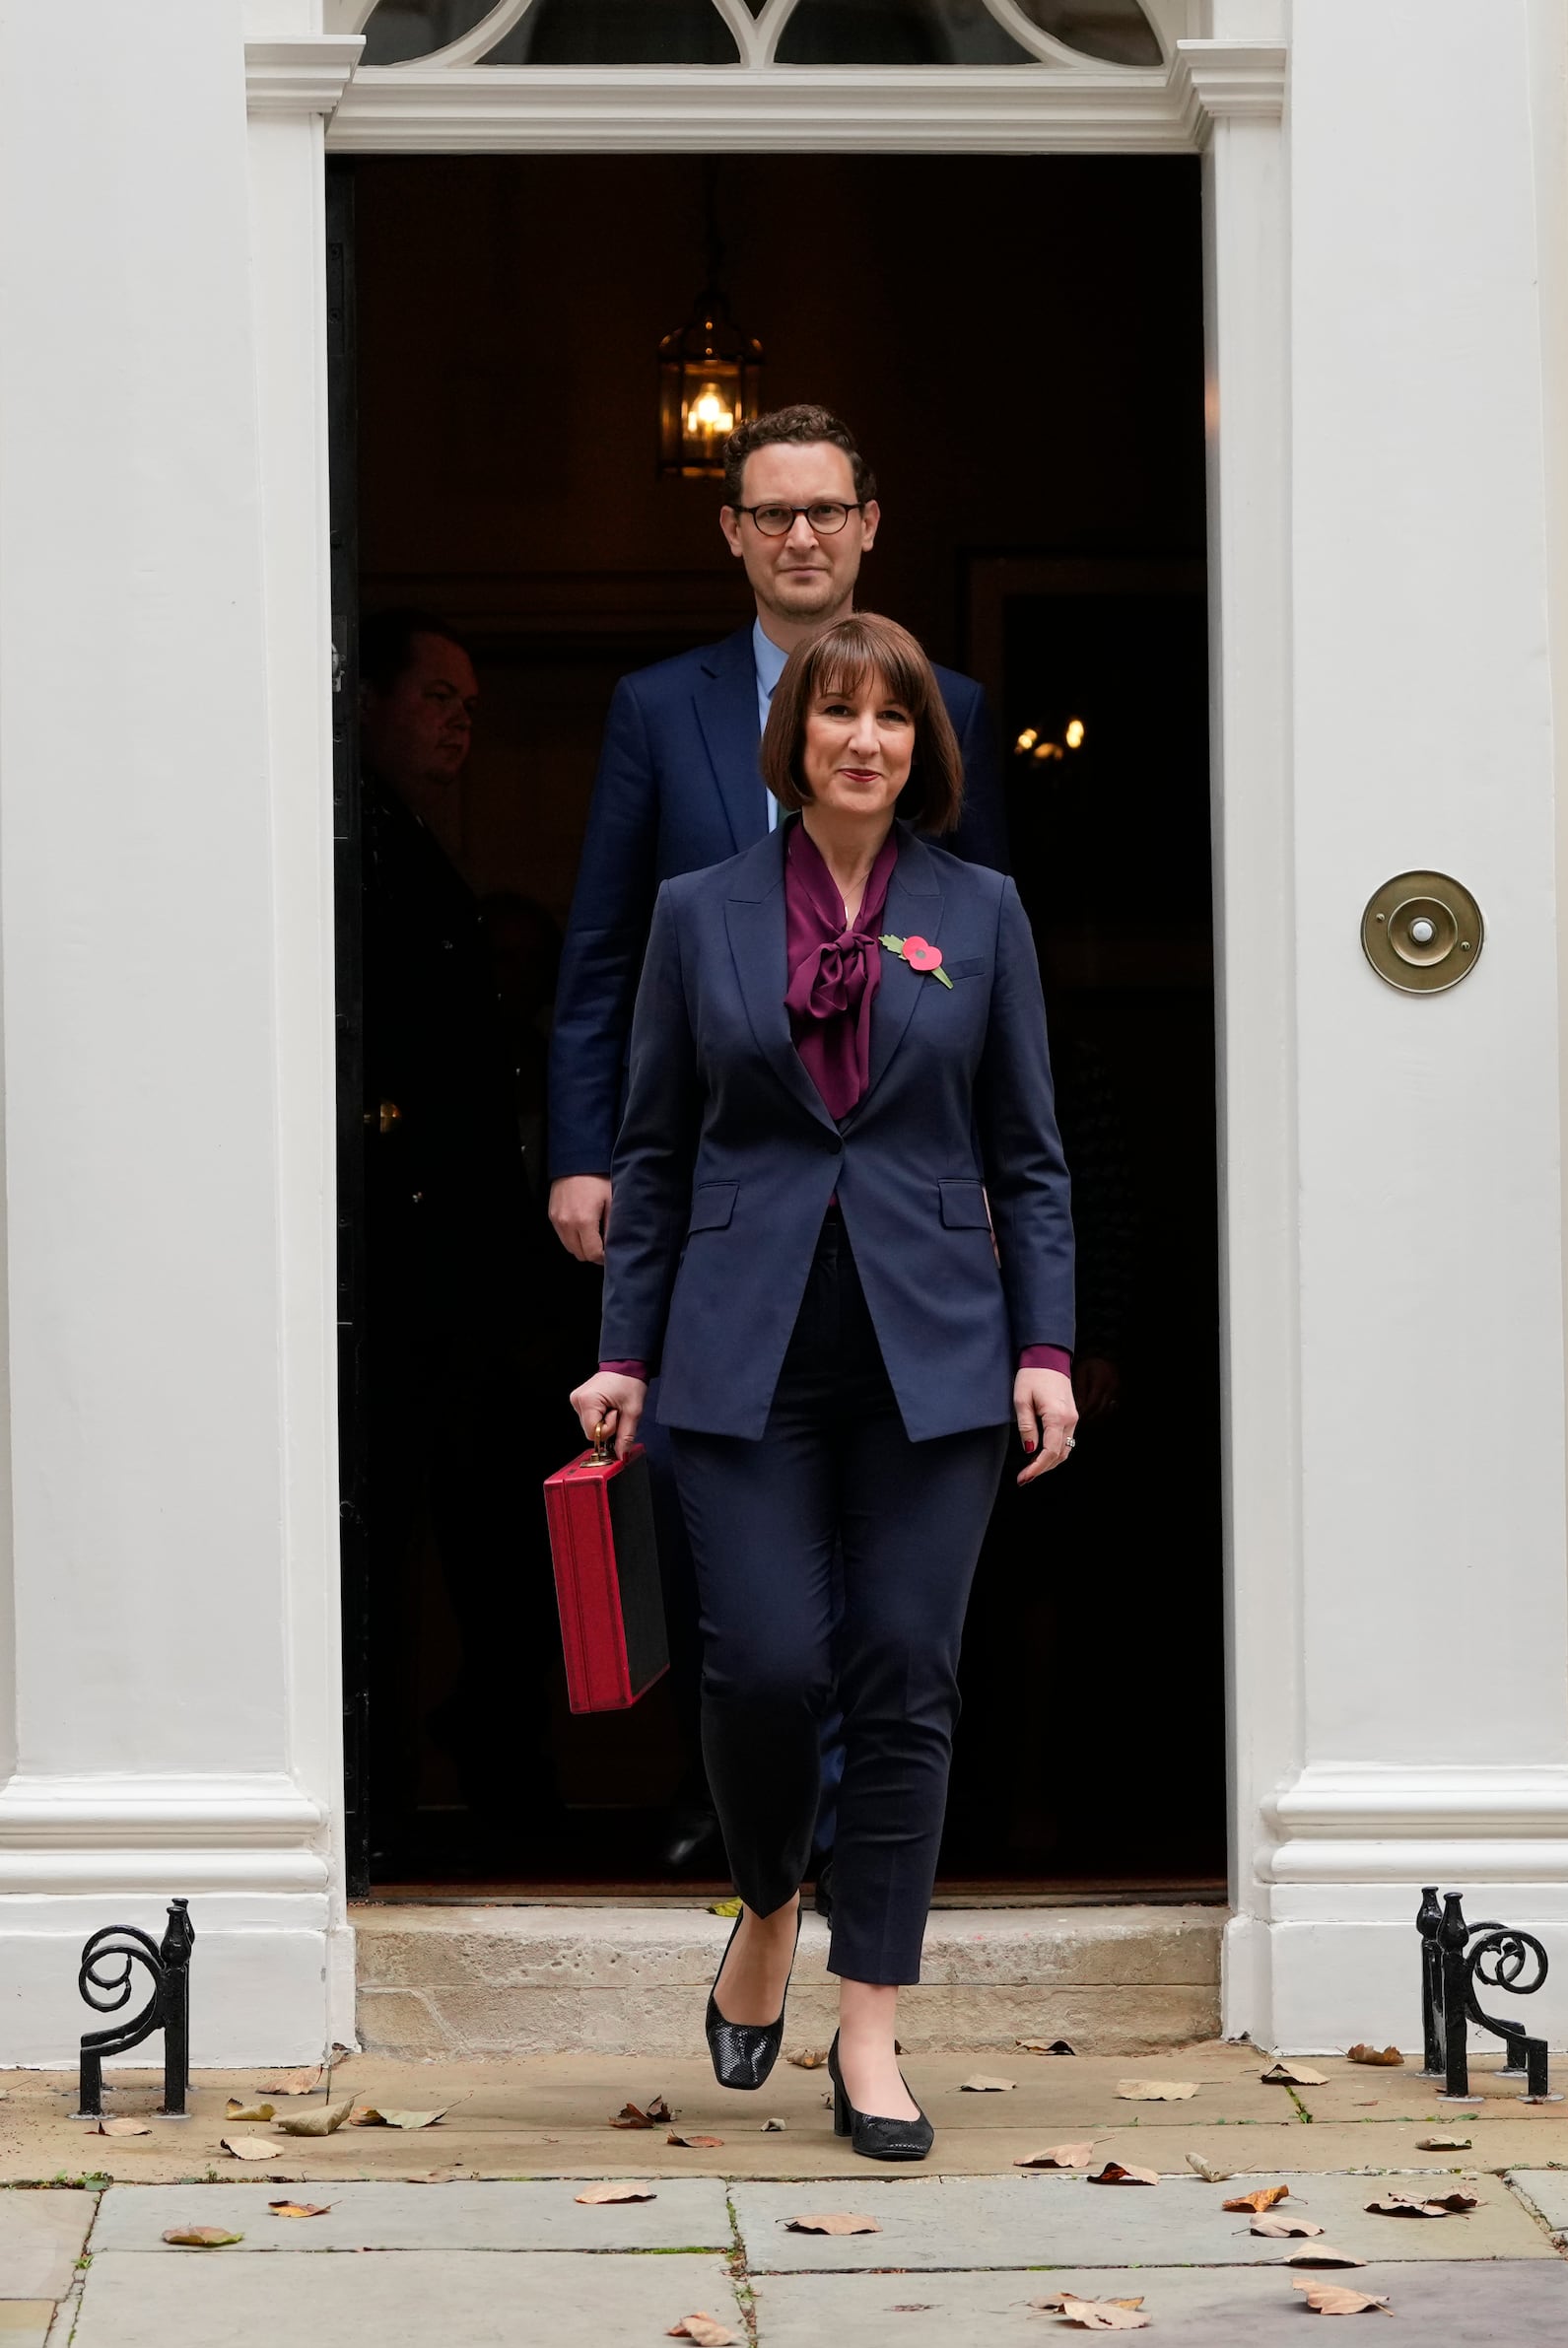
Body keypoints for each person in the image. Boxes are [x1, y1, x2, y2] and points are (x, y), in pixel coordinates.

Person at [569, 614, 1075, 2160]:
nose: (864, 740)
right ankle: (771, 1895)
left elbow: (1028, 1157)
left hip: (936, 1353)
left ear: (926, 752)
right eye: (835, 715)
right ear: (792, 743)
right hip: (740, 1350)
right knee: (769, 1672)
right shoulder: (696, 910)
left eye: (894, 720)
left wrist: (1044, 1346)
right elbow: (653, 1153)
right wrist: (623, 1349)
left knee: (907, 1675)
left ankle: (870, 2030)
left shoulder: (979, 912)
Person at [549, 403, 1010, 1876]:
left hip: (899, 1199)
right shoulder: (654, 706)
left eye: (826, 510)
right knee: (725, 1518)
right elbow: (607, 949)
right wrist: (585, 1153)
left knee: (897, 1573)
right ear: (733, 533)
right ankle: (756, 1817)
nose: (801, 536)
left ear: (871, 523)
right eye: (772, 513)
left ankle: (854, 1834)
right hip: (716, 1182)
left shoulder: (960, 708)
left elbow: (992, 966)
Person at [360, 610, 559, 1850]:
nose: (459, 723)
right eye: (436, 696)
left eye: (471, 706)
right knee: (393, 1546)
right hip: (406, 1269)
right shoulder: (358, 847)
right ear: (367, 702)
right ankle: (389, 1806)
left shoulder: (412, 847)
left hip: (473, 1276)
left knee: (497, 1547)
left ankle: (503, 1791)